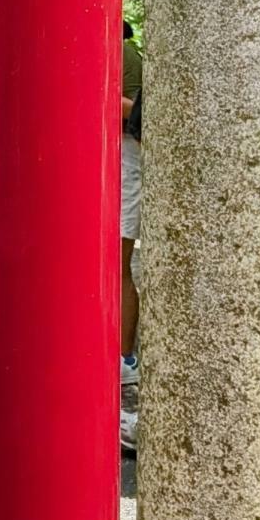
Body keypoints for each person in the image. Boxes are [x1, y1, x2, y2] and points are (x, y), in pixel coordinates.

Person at [120, 21, 143, 387]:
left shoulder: (123, 54)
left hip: (125, 157)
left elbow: (134, 112)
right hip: (117, 158)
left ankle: (125, 358)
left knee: (116, 262)